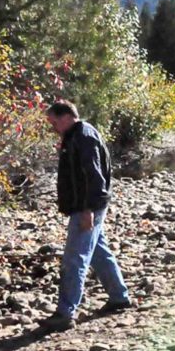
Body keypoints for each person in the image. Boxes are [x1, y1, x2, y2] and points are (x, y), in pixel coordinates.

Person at [41, 101, 131, 332]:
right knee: (98, 252)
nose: (53, 128)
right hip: (85, 206)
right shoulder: (75, 136)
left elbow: (95, 178)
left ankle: (65, 312)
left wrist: (87, 210)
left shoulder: (84, 136)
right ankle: (119, 297)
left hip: (88, 207)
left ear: (66, 117)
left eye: (53, 123)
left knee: (75, 258)